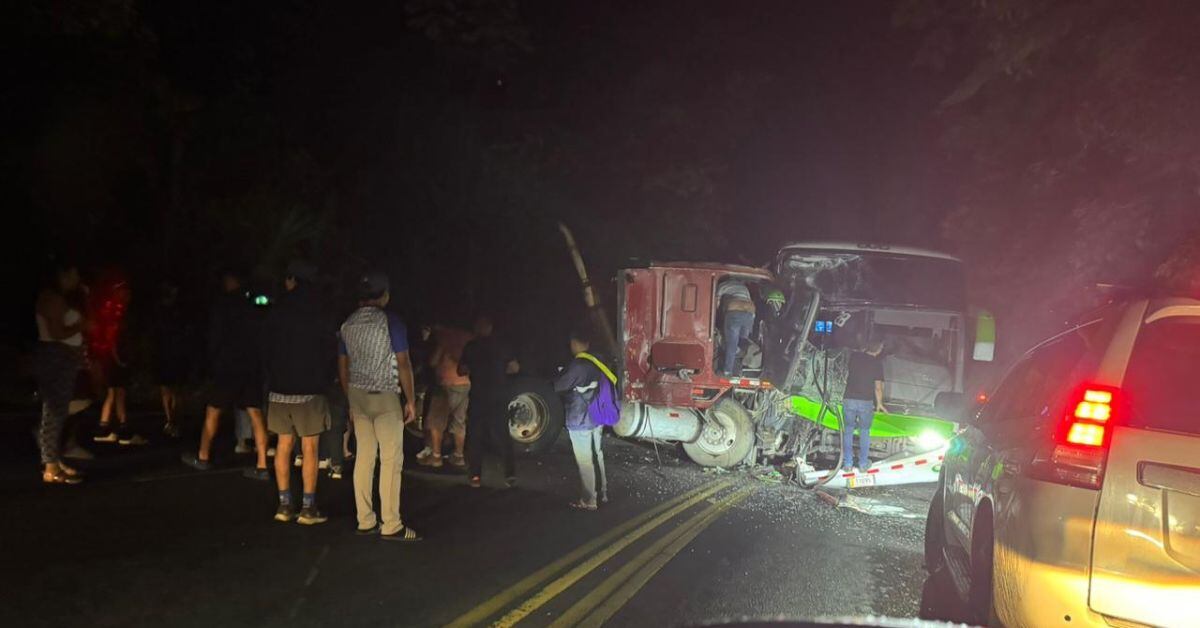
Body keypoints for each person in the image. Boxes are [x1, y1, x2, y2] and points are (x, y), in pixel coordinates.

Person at [338, 271, 420, 541]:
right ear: (384, 295)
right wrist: (410, 399)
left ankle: (365, 519)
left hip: (358, 395)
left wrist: (349, 397)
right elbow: (403, 362)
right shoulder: (391, 321)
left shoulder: (347, 324)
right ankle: (391, 523)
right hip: (385, 395)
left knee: (364, 457)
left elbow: (343, 365)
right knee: (390, 460)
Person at [181, 269, 270, 479]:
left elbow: (214, 339)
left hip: (227, 367)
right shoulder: (251, 306)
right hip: (249, 367)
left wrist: (212, 363)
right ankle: (262, 464)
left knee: (213, 411)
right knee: (255, 413)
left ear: (230, 281)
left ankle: (203, 457)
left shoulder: (222, 306)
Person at [265, 261, 333, 525]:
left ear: (292, 279)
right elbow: (327, 347)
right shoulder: (317, 309)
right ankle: (308, 507)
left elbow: (266, 347)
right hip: (310, 389)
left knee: (283, 444)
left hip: (279, 388)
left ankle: (284, 505)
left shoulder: (277, 309)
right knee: (310, 447)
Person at [34, 260, 88, 484]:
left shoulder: (61, 298)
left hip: (63, 359)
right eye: (73, 274)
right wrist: (81, 327)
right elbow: (57, 333)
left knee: (59, 411)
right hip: (56, 359)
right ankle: (51, 467)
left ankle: (55, 460)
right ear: (63, 275)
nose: (77, 279)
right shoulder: (52, 299)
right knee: (54, 412)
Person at [554, 329, 614, 511]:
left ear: (575, 343)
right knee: (598, 455)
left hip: (580, 418)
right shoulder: (598, 362)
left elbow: (559, 386)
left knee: (585, 461)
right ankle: (603, 492)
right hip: (597, 416)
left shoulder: (579, 366)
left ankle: (589, 500)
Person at [459, 315, 520, 488]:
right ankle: (510, 474)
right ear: (491, 328)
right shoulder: (502, 345)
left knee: (475, 436)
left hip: (478, 396)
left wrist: (474, 368)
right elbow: (515, 367)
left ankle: (475, 476)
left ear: (477, 329)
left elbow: (461, 370)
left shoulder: (471, 347)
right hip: (499, 396)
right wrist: (501, 372)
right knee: (503, 436)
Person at [94, 281, 147, 445]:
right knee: (119, 393)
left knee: (113, 393)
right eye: (125, 292)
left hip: (111, 359)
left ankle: (106, 429)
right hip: (115, 360)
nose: (128, 296)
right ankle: (124, 432)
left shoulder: (115, 311)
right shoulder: (116, 313)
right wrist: (120, 360)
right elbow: (111, 339)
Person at [419, 323, 473, 469]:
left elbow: (434, 361)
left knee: (437, 421)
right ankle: (459, 456)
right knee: (459, 421)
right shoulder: (469, 336)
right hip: (465, 383)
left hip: (445, 383)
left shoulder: (443, 338)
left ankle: (436, 457)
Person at [842, 339, 888, 473]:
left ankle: (848, 464)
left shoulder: (854, 357)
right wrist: (879, 404)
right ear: (879, 350)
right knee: (864, 432)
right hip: (865, 402)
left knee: (848, 430)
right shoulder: (876, 364)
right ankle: (862, 464)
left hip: (849, 399)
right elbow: (878, 387)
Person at [153, 281, 190, 438]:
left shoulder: (175, 312)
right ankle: (171, 420)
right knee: (171, 390)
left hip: (170, 354)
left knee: (171, 390)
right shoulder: (169, 312)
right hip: (169, 354)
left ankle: (171, 420)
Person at [717, 279, 756, 376]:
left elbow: (716, 303)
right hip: (750, 311)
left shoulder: (722, 285)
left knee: (732, 343)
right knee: (743, 340)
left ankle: (728, 371)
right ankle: (740, 353)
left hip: (735, 310)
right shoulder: (744, 288)